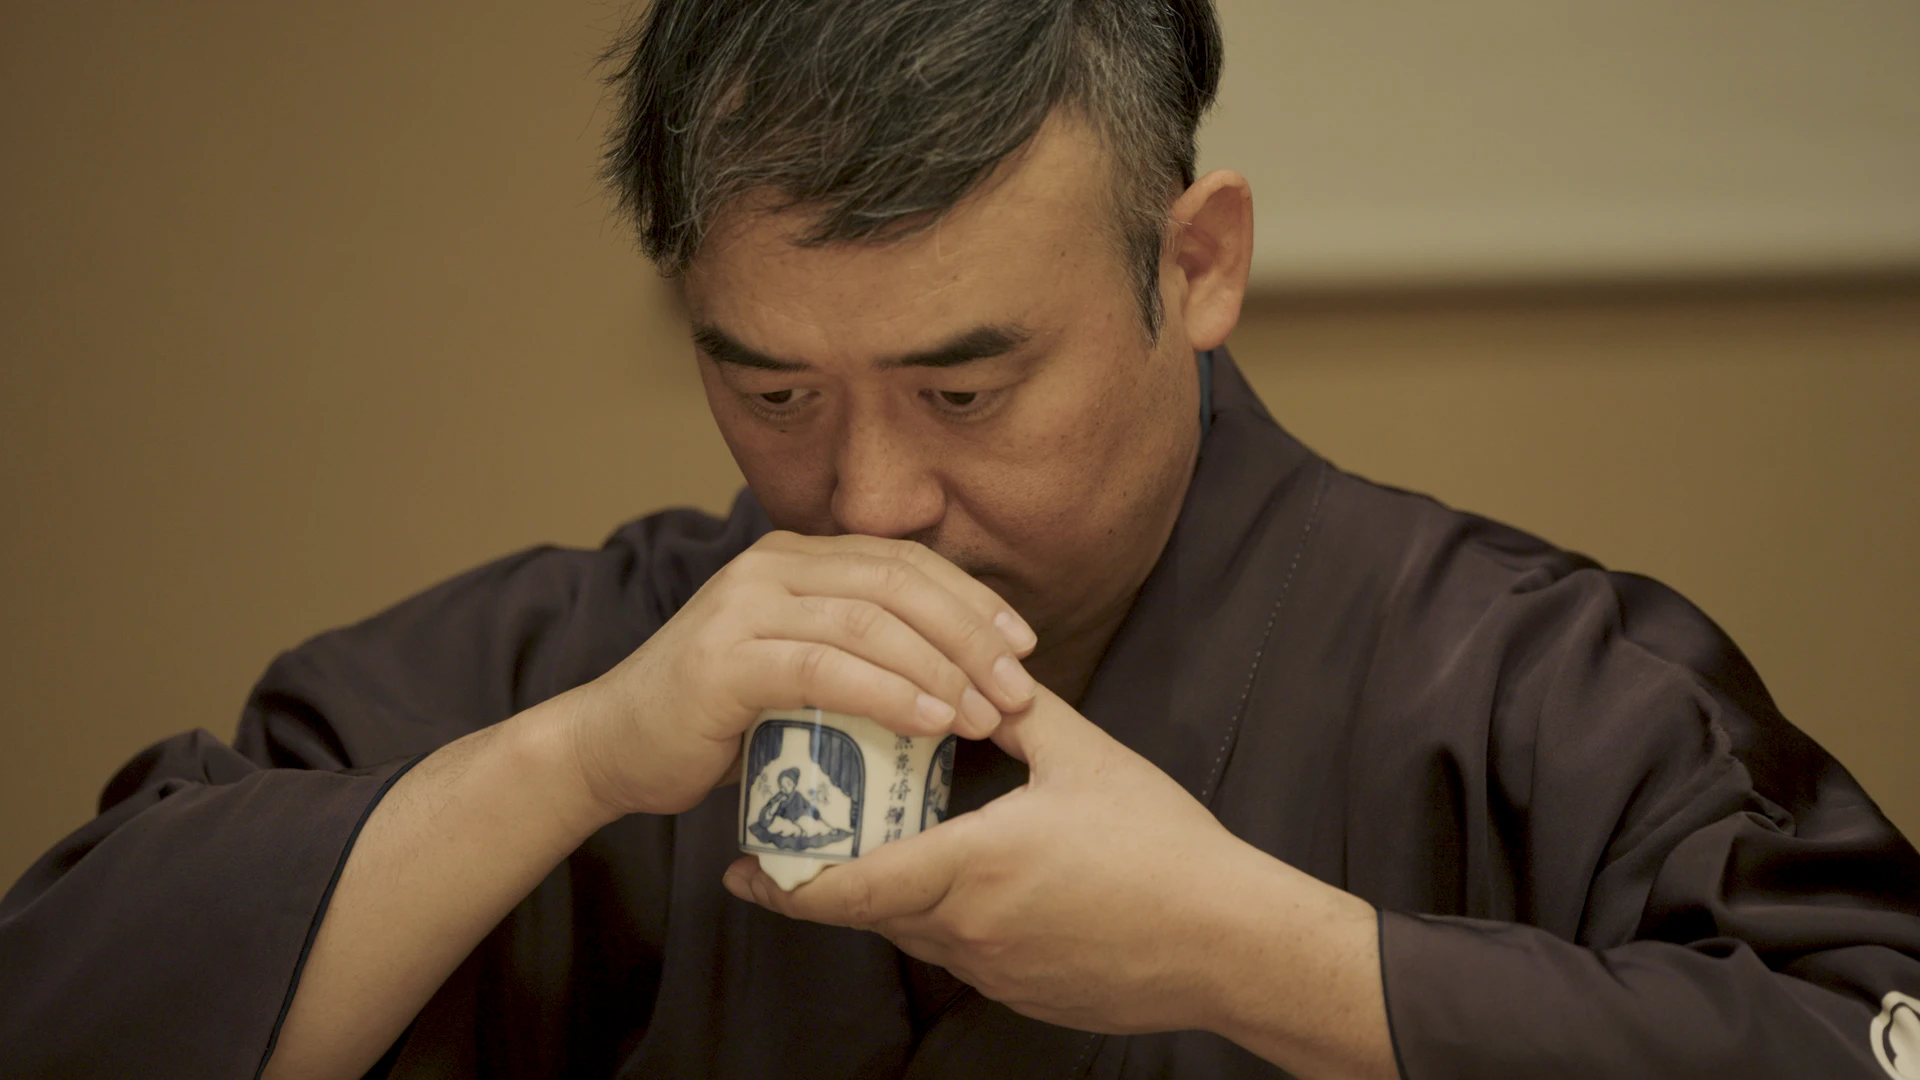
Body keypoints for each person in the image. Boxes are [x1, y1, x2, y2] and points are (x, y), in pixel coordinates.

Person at [3, 0, 1917, 1077]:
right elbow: (72, 995)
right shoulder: (581, 665)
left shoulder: (1520, 685)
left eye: (966, 391)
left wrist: (1267, 958)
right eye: (772, 392)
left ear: (1197, 264)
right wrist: (575, 762)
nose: (866, 500)